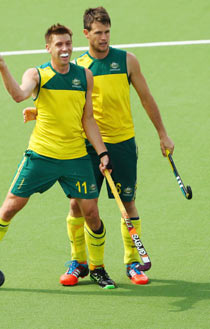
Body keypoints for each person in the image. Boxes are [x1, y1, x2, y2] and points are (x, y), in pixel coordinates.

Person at [0, 24, 116, 290]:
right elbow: (19, 95)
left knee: (92, 214)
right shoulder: (38, 74)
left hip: (76, 156)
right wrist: (0, 64)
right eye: (59, 45)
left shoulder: (84, 76)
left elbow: (87, 118)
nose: (65, 49)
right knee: (9, 208)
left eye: (68, 43)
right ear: (48, 47)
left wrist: (102, 152)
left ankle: (98, 269)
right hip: (41, 156)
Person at [25, 7, 174, 286]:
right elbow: (63, 103)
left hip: (123, 143)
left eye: (107, 32)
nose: (104, 38)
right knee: (78, 204)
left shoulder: (127, 61)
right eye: (98, 33)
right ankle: (79, 262)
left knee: (127, 202)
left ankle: (132, 263)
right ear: (86, 34)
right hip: (88, 147)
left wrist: (163, 134)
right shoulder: (79, 67)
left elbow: (146, 98)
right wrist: (36, 113)